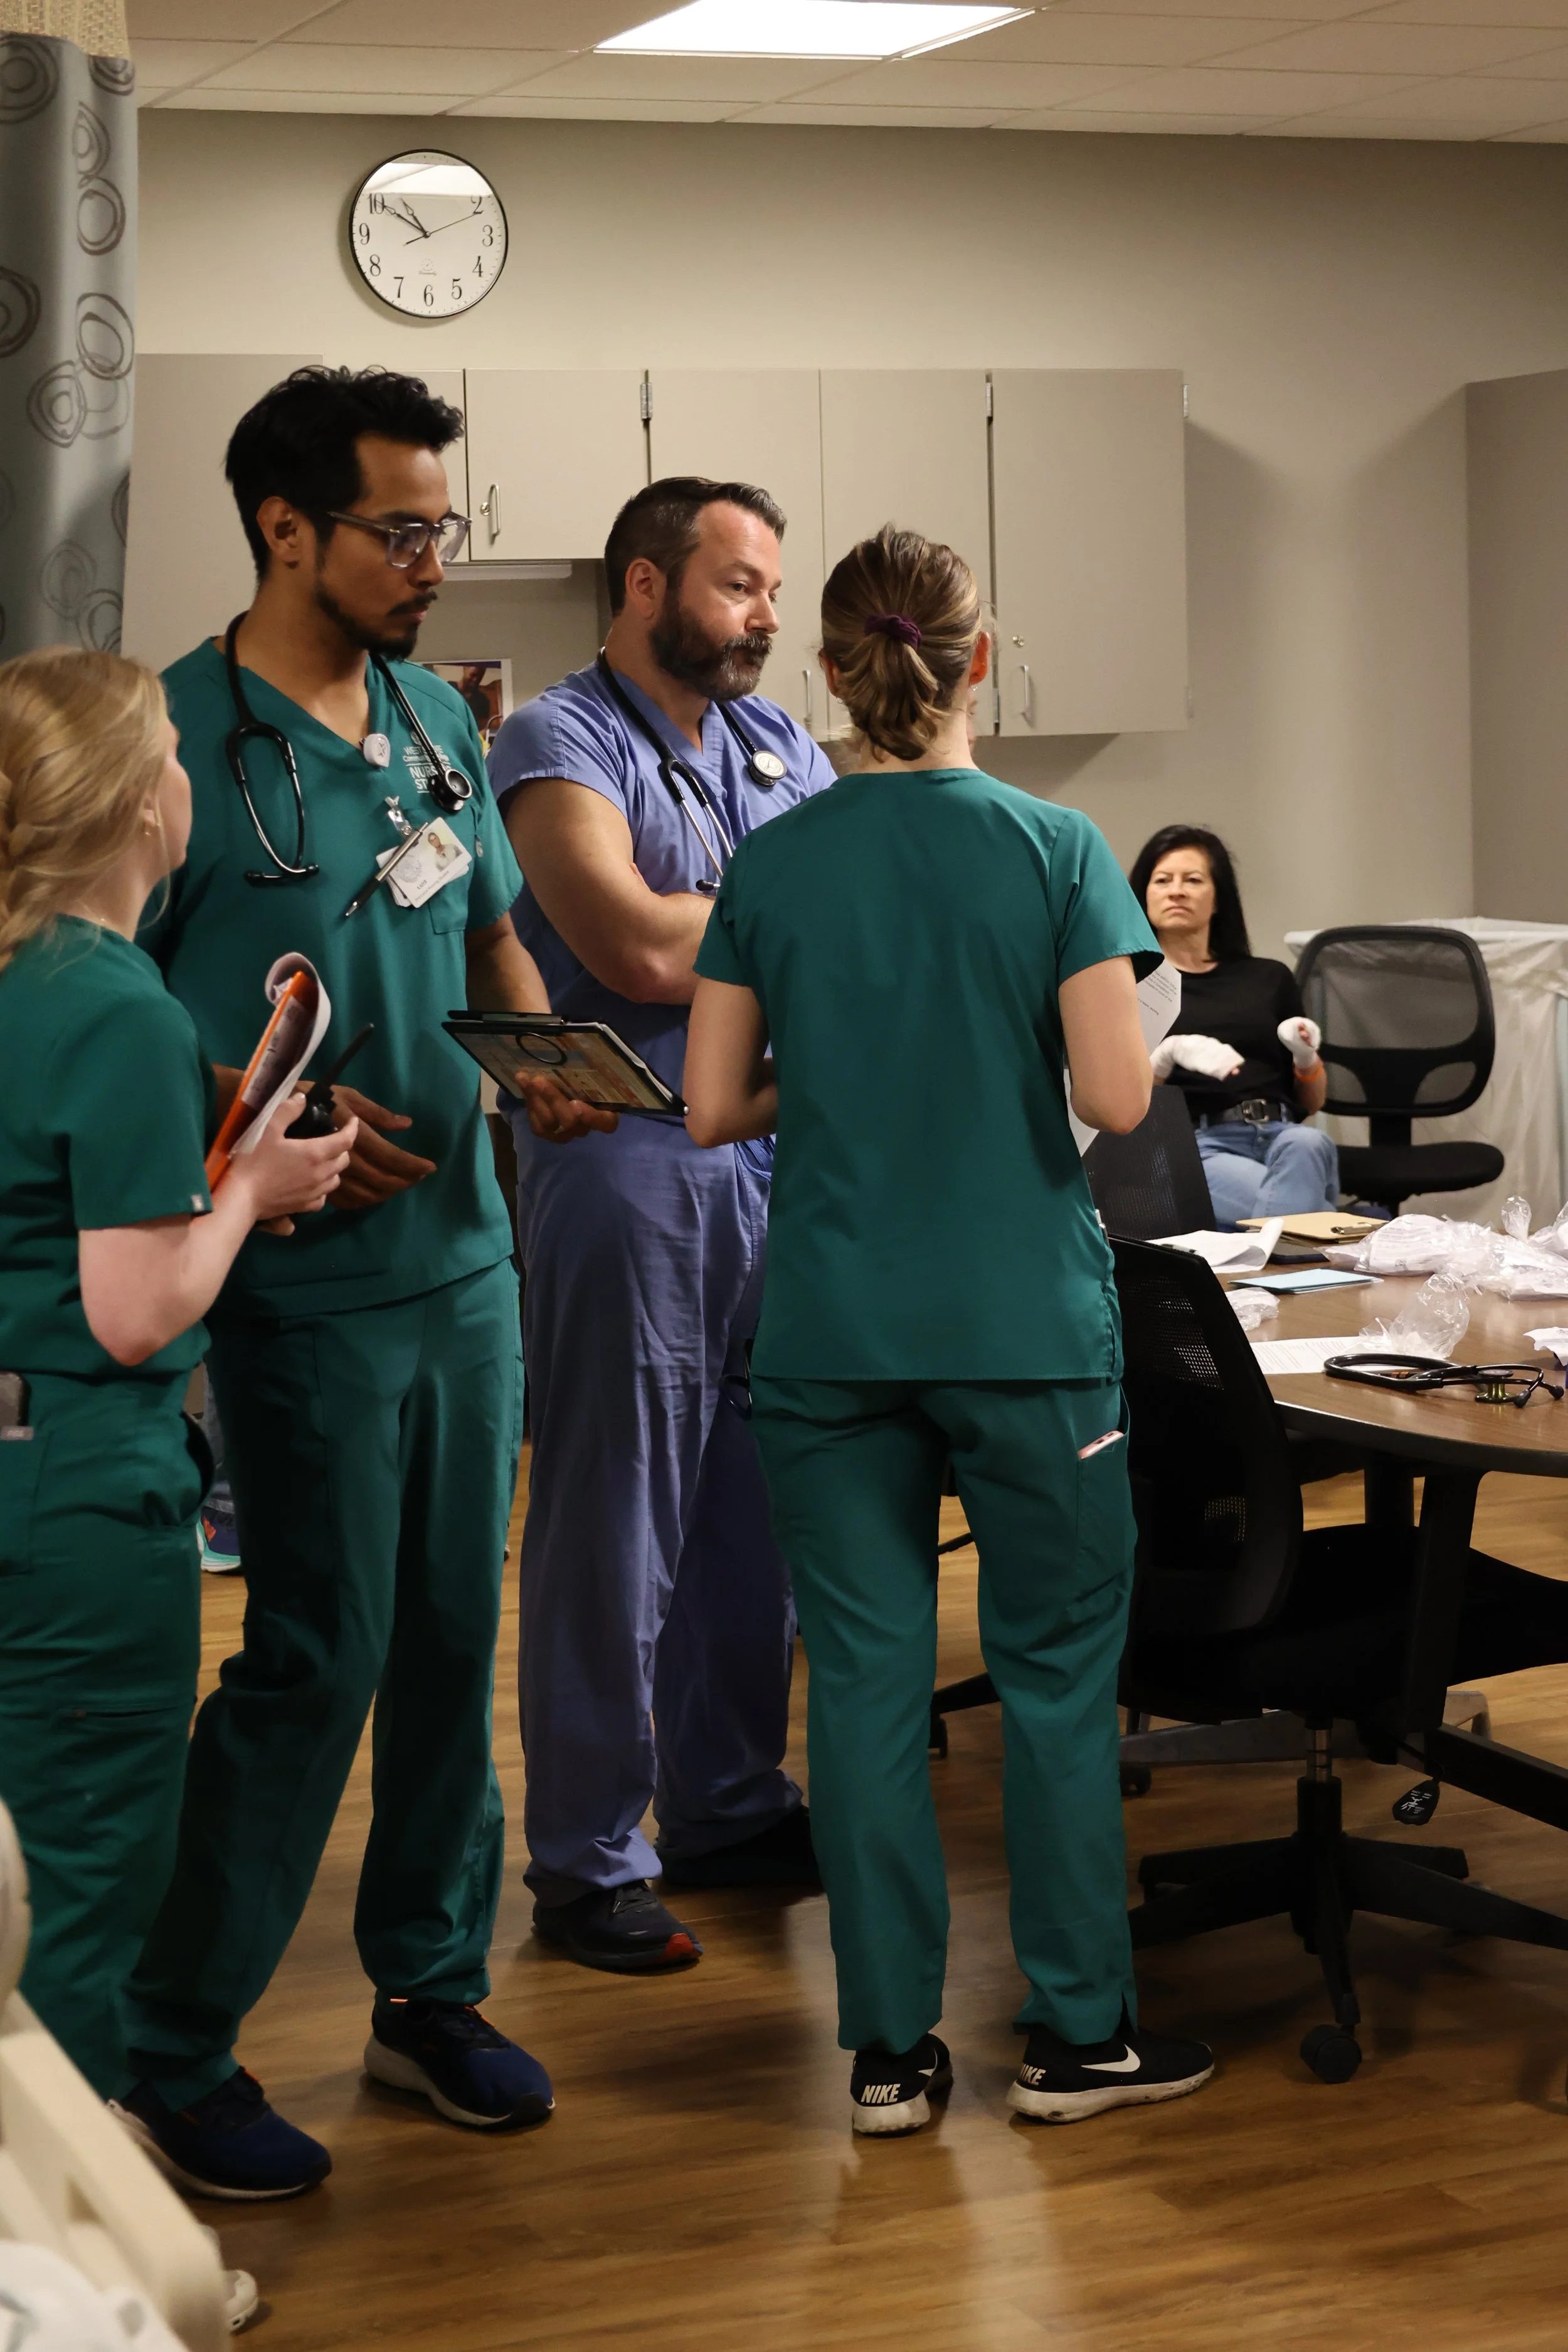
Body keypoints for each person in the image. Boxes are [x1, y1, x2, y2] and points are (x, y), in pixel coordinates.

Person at [115, 367, 596, 2201]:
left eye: (440, 528)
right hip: (297, 1271)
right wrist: (238, 1105)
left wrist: (532, 1056)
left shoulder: (432, 720)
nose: (430, 560)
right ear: (283, 529)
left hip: (465, 1257)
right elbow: (84, 997)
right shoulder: (165, 737)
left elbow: (481, 926)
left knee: (443, 1648)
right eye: (400, 529)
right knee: (315, 1652)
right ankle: (173, 2038)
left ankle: (429, 1985)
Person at [682, 526, 1216, 2135]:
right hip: (1025, 1332)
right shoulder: (1058, 846)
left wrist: (838, 1076)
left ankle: (892, 2055)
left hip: (834, 1333)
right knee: (1055, 1679)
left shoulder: (771, 861)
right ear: (978, 661)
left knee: (858, 1685)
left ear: (829, 674)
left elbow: (711, 1105)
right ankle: (1073, 2040)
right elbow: (1119, 1097)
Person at [0, 649, 353, 2321]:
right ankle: (60, 2282)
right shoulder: (117, 1005)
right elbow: (136, 1308)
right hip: (72, 1489)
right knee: (72, 1902)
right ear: (148, 795)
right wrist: (255, 1180)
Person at [489, 477, 837, 1973]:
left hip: (773, 1155)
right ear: (645, 584)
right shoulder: (555, 739)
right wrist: (773, 909)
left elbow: (829, 907)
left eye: (772, 589)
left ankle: (730, 1797)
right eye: (741, 586)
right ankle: (584, 1855)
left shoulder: (774, 738)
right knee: (614, 1521)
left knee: (754, 1516)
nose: (768, 616)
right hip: (626, 1161)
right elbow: (622, 936)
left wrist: (717, 906)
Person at [1129, 824, 1338, 1228]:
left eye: (1193, 880)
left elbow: (1311, 1104)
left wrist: (1306, 1057)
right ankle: (1345, 1231)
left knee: (1310, 1141)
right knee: (1303, 1217)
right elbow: (1120, 1105)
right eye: (1162, 881)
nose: (1177, 891)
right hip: (1194, 1145)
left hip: (1283, 1135)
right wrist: (1166, 1058)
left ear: (1218, 897)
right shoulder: (1133, 985)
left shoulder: (1269, 978)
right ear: (1144, 896)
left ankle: (1300, 1251)